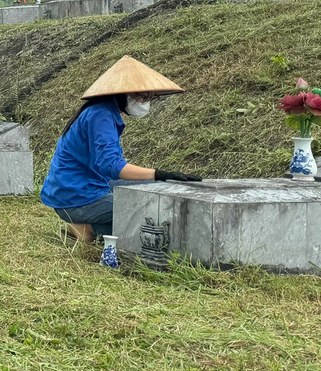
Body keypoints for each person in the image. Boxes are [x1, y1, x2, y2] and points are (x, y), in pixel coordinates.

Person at [40, 56, 201, 244]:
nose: (145, 102)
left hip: (84, 185)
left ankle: (88, 225)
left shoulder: (101, 111)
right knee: (149, 208)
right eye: (142, 96)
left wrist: (158, 179)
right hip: (76, 195)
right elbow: (112, 166)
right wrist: (159, 174)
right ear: (123, 93)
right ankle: (87, 227)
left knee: (154, 189)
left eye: (150, 97)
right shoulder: (100, 115)